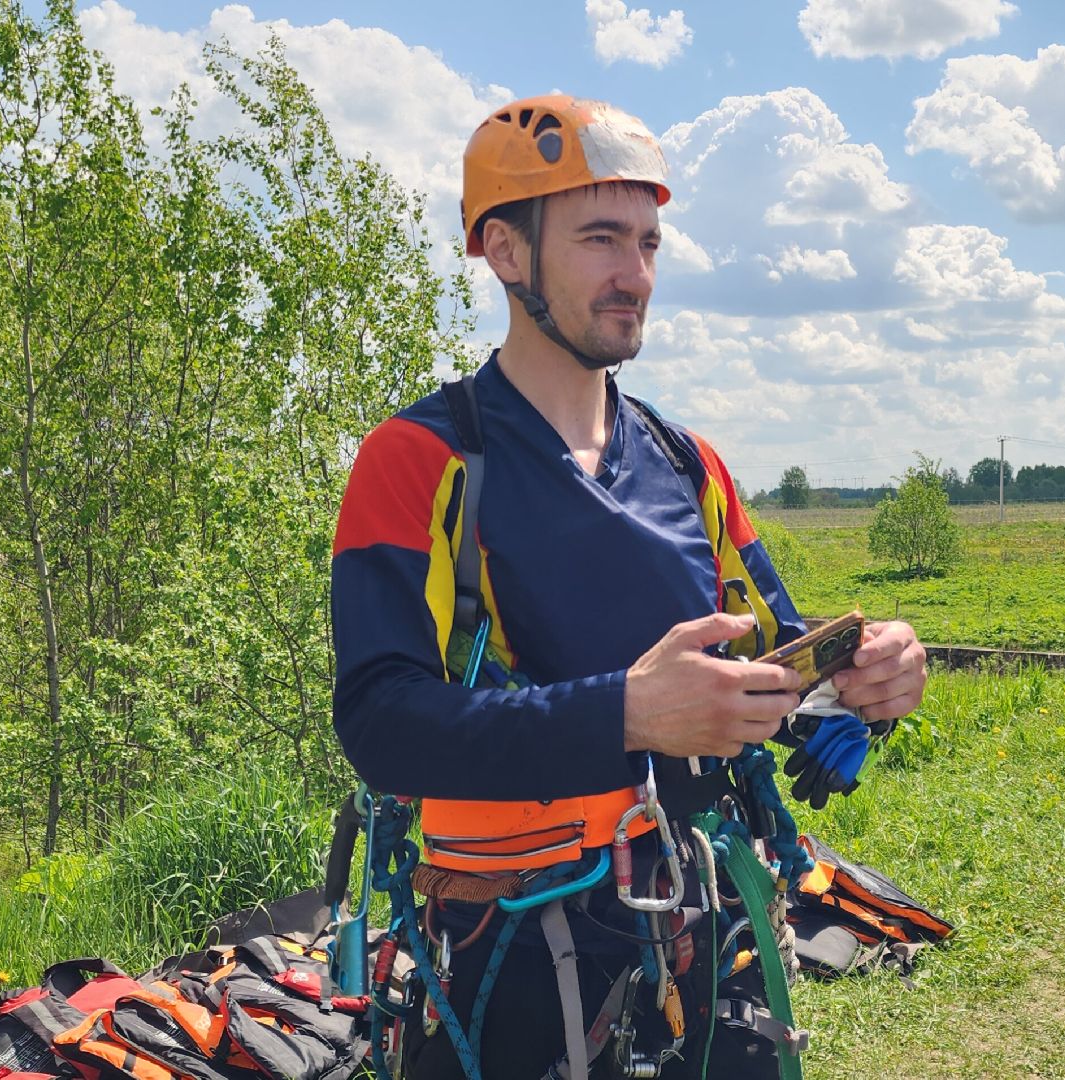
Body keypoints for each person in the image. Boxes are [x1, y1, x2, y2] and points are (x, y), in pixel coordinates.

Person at [329, 95, 928, 1080]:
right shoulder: (421, 460)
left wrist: (861, 678)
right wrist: (628, 713)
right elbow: (380, 721)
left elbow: (768, 671)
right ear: (505, 251)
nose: (635, 275)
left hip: (703, 931)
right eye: (600, 239)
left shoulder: (687, 464)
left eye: (647, 243)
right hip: (508, 957)